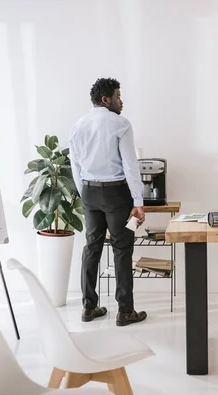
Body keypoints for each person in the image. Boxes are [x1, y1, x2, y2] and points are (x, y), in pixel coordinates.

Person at [69, 77, 147, 327]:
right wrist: (138, 201)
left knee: (92, 248)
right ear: (106, 99)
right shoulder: (120, 124)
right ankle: (125, 311)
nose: (121, 101)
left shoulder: (78, 125)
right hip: (116, 194)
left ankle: (88, 308)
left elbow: (76, 165)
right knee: (122, 250)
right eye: (118, 96)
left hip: (90, 193)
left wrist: (85, 193)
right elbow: (130, 165)